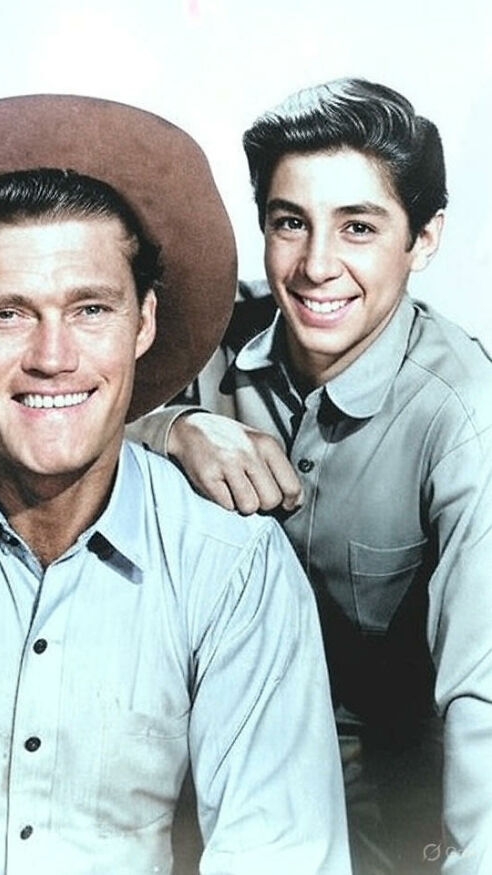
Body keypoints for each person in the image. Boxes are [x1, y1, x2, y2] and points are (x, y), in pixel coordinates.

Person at [0, 95, 350, 875]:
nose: (52, 357)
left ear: (143, 322)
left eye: (90, 308)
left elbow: (279, 856)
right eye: (8, 313)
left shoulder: (234, 566)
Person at [129, 78, 492, 874]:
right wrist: (173, 428)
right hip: (190, 765)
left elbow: (486, 697)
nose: (316, 266)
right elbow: (40, 414)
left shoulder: (467, 417)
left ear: (424, 237)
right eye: (290, 222)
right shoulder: (208, 336)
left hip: (382, 810)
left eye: (358, 227)